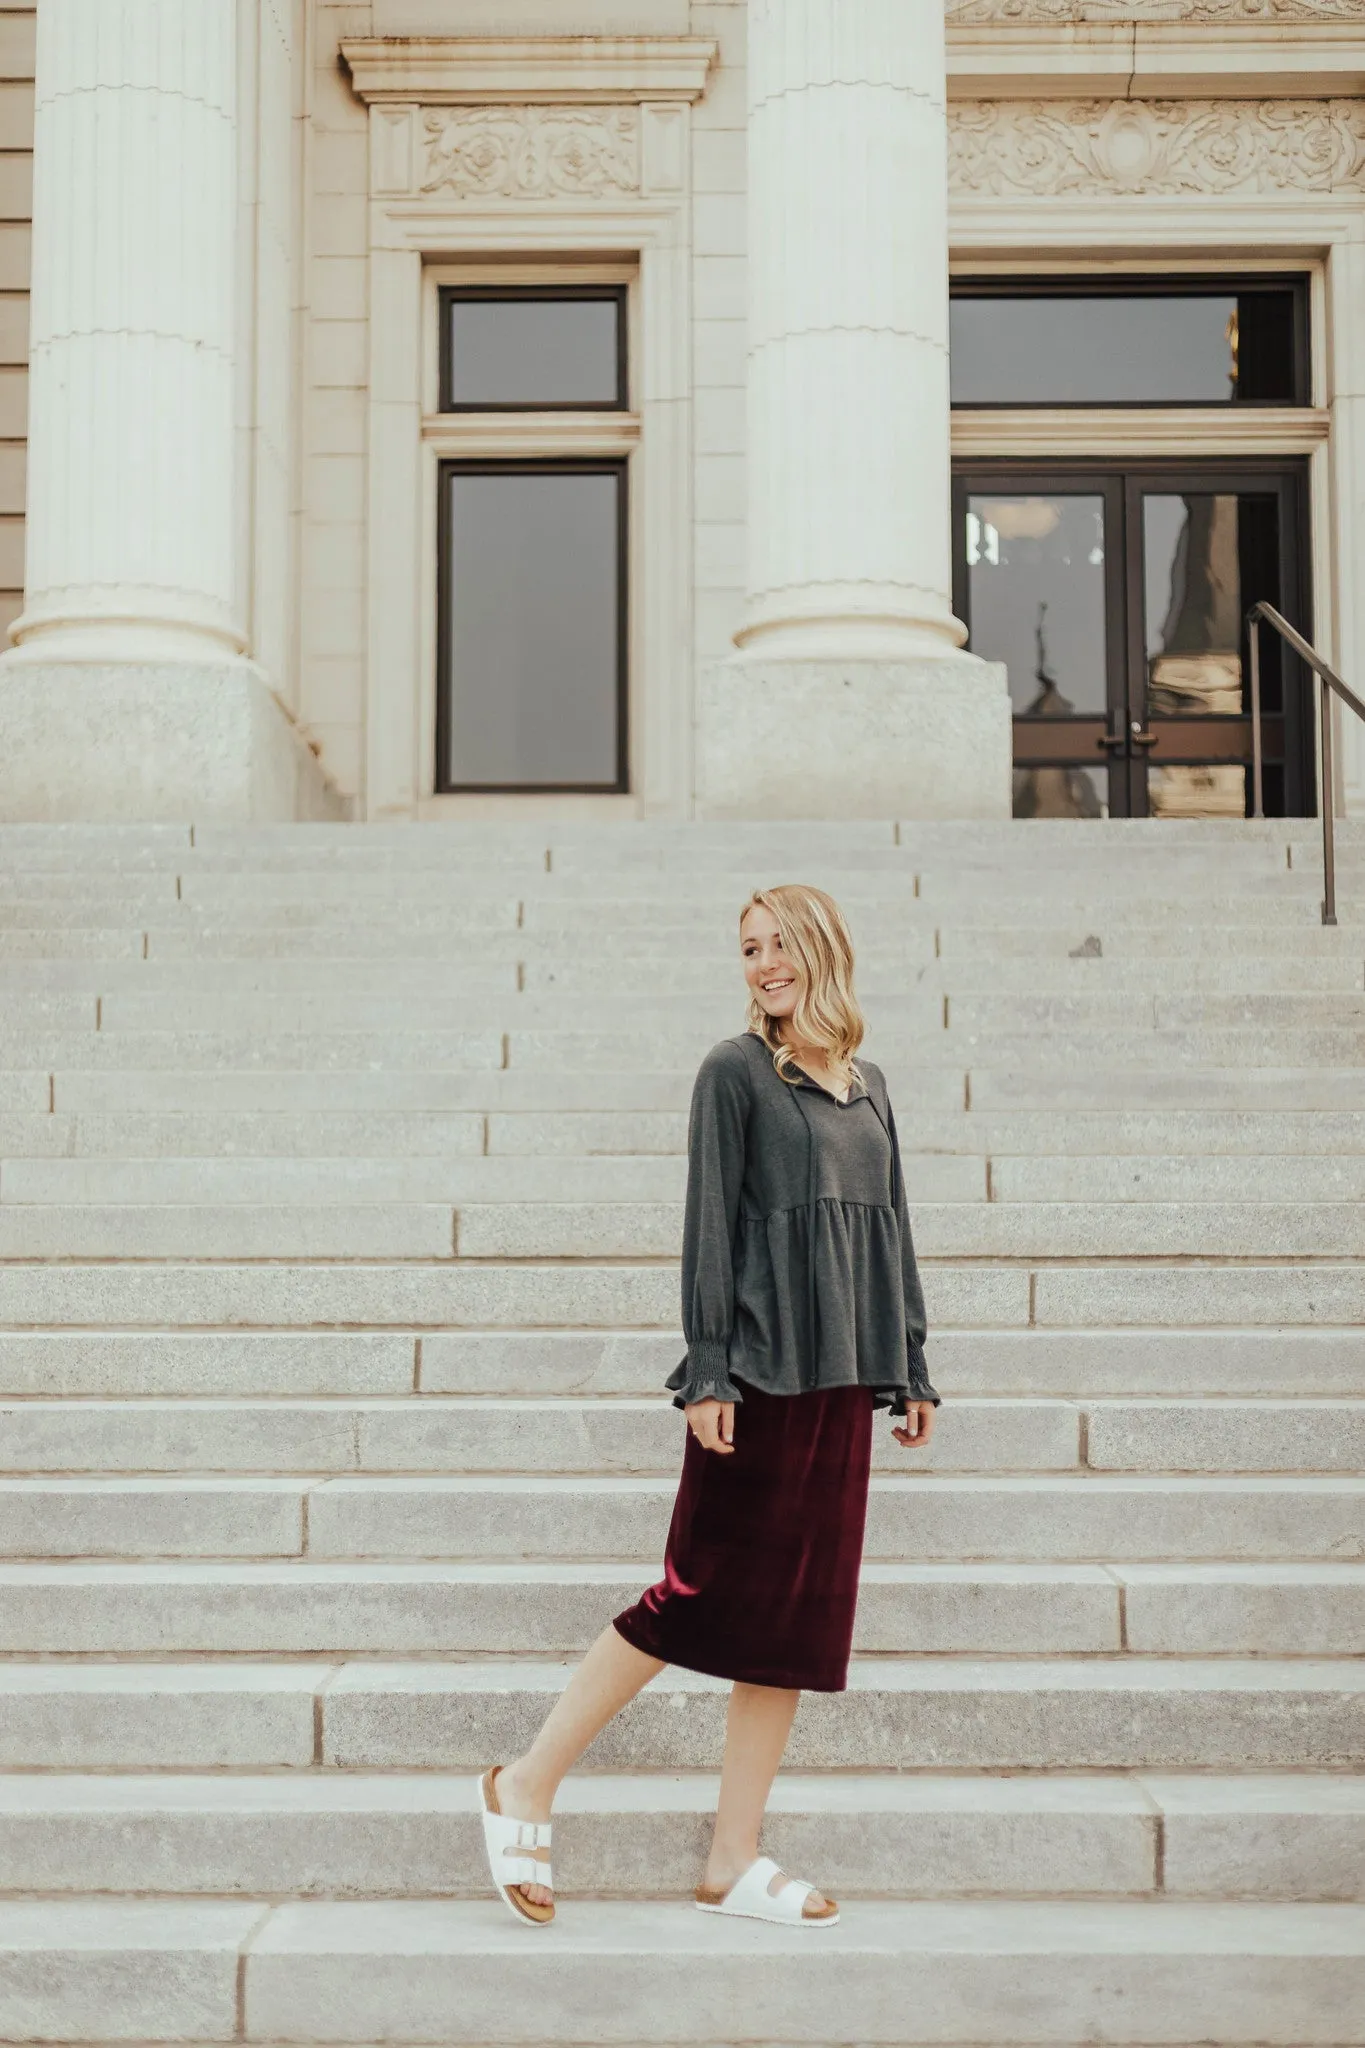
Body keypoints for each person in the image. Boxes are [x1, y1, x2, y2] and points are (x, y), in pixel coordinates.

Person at [477, 882, 939, 1928]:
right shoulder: (734, 1074)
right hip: (760, 1376)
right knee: (694, 1591)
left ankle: (732, 1857)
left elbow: (893, 1226)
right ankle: (527, 1779)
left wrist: (909, 1360)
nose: (764, 962)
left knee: (793, 1624)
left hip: (843, 1378)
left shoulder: (869, 1087)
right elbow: (710, 1233)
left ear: (824, 946)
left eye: (779, 942)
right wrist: (710, 1370)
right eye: (748, 948)